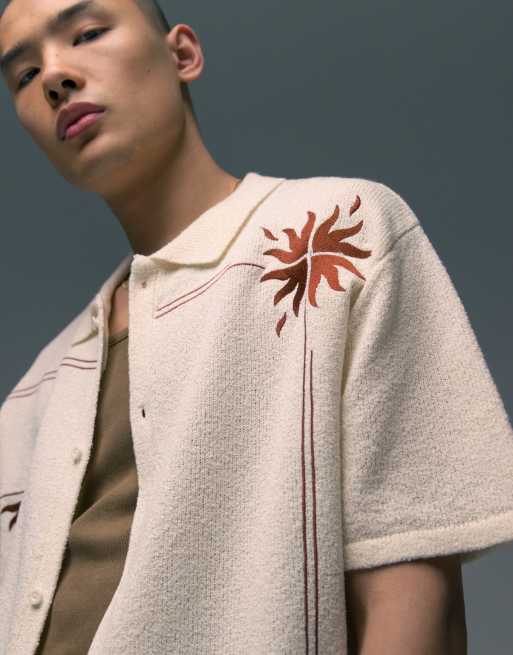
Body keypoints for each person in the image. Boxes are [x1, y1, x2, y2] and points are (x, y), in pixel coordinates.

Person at [0, 1, 512, 654]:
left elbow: (412, 593)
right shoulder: (35, 391)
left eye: (88, 33)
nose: (54, 76)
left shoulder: (338, 234)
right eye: (23, 75)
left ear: (183, 54)